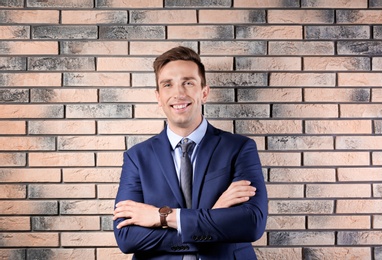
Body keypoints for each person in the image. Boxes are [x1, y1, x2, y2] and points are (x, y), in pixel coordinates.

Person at [113, 46, 268, 259]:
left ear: (204, 92)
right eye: (168, 85)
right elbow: (127, 237)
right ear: (158, 97)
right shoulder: (137, 157)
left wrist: (161, 217)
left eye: (188, 82)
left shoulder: (239, 148)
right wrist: (214, 216)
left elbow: (251, 224)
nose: (178, 93)